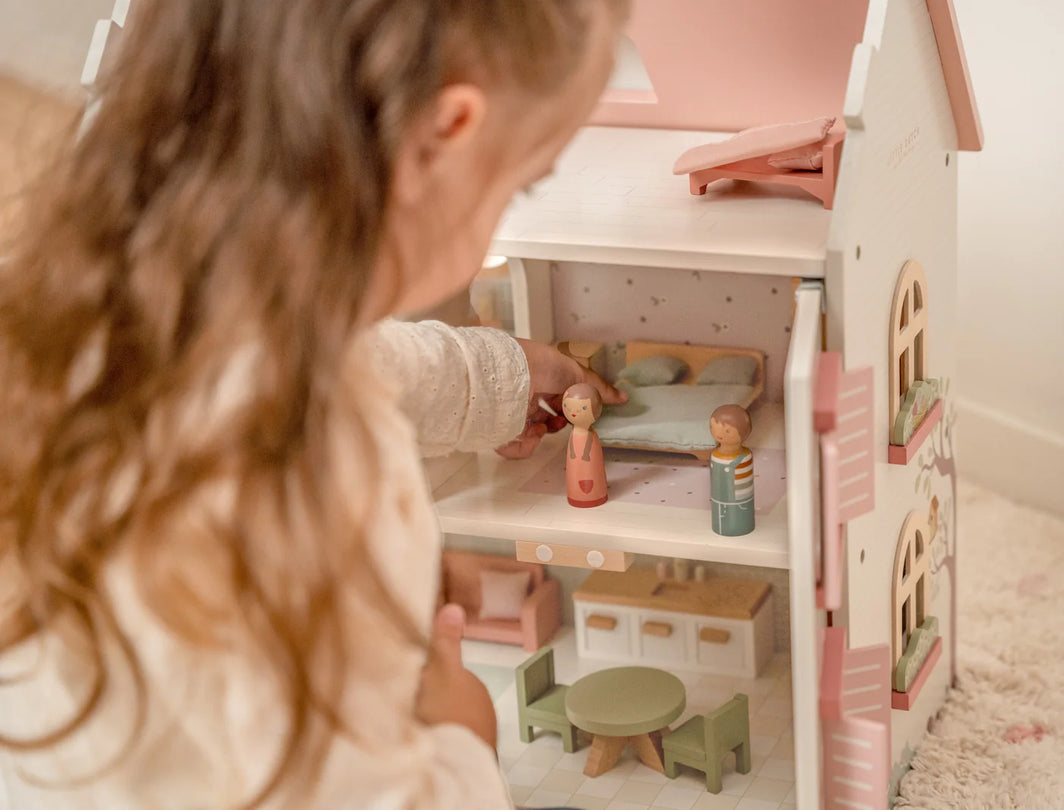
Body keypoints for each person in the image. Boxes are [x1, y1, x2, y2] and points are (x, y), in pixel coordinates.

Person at [0, 0, 628, 807]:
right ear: (443, 137)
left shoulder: (110, 300)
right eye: (523, 183)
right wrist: (462, 746)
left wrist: (501, 378)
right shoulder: (307, 475)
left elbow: (372, 361)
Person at [708, 404, 756, 536]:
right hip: (719, 500)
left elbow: (744, 487)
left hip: (740, 503)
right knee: (721, 515)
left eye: (727, 431)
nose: (719, 434)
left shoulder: (745, 457)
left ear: (743, 432)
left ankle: (738, 527)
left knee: (739, 514)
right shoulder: (715, 456)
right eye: (713, 426)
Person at [562, 383, 608, 508]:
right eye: (567, 406)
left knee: (591, 472)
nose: (573, 413)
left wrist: (585, 454)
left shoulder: (590, 435)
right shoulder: (574, 433)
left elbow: (588, 445)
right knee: (575, 474)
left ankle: (594, 496)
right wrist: (572, 453)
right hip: (575, 459)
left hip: (587, 459)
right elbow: (572, 445)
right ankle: (577, 496)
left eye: (582, 409)